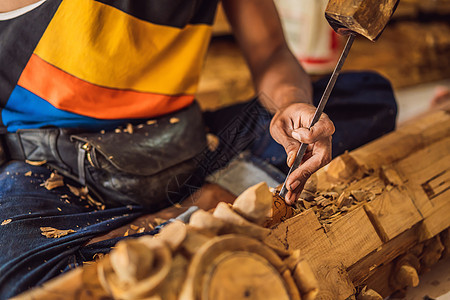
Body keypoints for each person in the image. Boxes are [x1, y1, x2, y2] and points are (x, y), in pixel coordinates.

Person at [0, 0, 397, 298]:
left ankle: (182, 218)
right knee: (19, 281)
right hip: (56, 175)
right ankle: (206, 209)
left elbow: (271, 51)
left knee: (366, 97)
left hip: (187, 150)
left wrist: (292, 106)